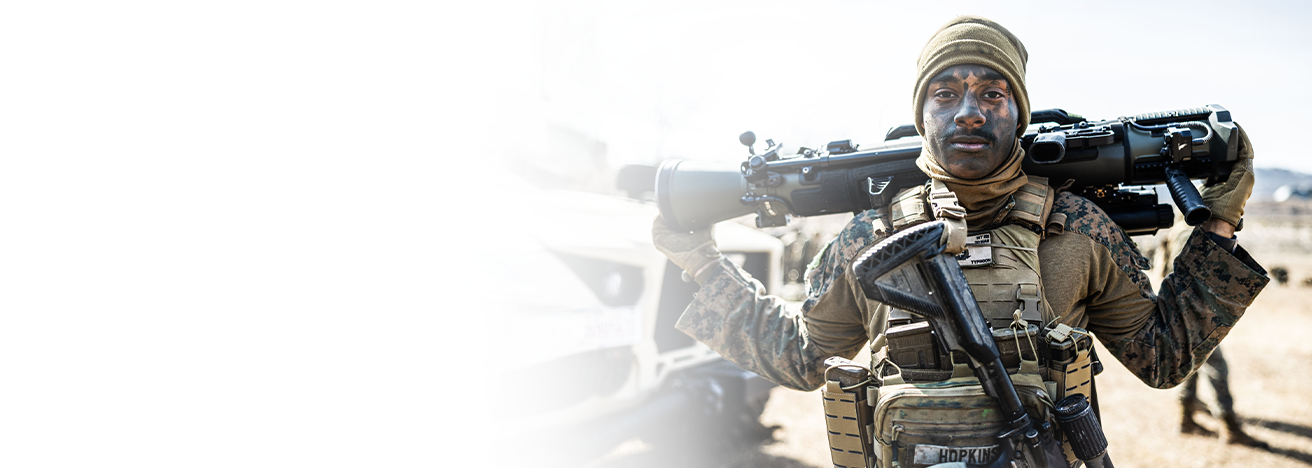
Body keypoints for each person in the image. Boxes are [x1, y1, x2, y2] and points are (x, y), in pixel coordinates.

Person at [652, 15, 1267, 468]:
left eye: (992, 94)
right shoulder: (872, 234)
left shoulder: (1080, 227)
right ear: (923, 117)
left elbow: (1161, 359)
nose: (969, 111)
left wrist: (1217, 225)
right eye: (946, 94)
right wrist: (700, 262)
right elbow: (801, 357)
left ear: (1018, 116)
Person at [1151, 216, 1268, 448]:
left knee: (1192, 362)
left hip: (1179, 309)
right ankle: (1229, 426)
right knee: (1215, 365)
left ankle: (1186, 418)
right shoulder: (1192, 231)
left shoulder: (1182, 226)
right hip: (1187, 311)